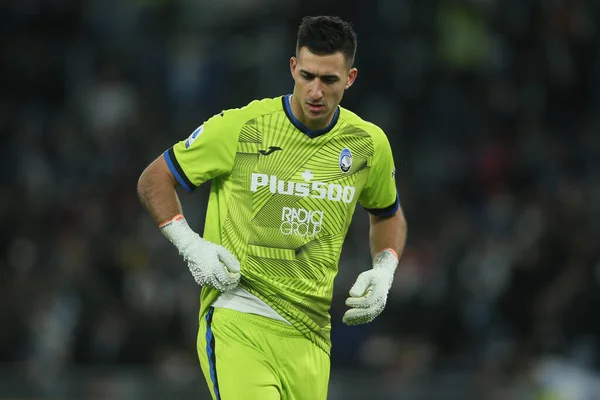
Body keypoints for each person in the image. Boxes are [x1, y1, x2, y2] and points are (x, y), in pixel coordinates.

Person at [137, 15, 407, 400]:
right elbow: (154, 178)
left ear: (350, 78)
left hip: (312, 336)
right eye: (307, 76)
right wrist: (191, 246)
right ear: (293, 68)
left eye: (329, 80)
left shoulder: (368, 145)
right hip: (239, 316)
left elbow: (386, 212)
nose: (315, 91)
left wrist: (385, 269)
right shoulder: (243, 127)